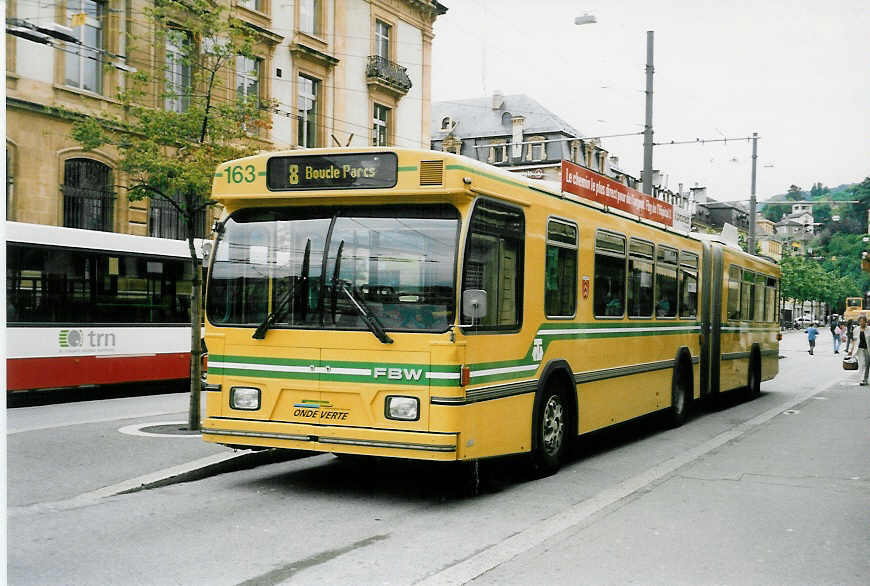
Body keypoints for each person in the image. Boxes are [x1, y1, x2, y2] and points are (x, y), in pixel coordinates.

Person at [847, 315, 869, 386]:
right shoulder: (856, 330)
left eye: (863, 321)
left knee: (867, 365)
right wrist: (851, 350)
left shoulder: (869, 329)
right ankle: (862, 380)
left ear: (866, 322)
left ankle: (865, 379)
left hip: (868, 349)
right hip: (860, 349)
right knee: (862, 364)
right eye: (860, 321)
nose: (862, 323)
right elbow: (854, 341)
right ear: (858, 322)